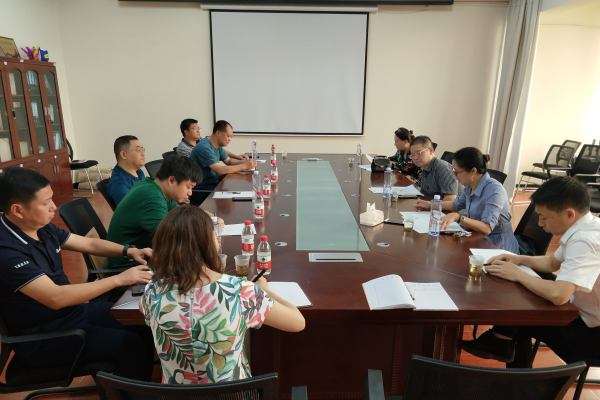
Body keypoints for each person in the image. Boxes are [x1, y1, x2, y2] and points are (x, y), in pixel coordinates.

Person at [0, 167, 155, 381]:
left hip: (71, 313)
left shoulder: (41, 227)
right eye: (45, 202)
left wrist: (128, 250)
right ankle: (128, 393)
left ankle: (137, 387)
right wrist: (119, 279)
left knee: (142, 320)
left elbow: (89, 243)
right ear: (18, 210)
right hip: (43, 336)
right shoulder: (7, 251)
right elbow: (56, 297)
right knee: (131, 346)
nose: (54, 207)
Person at [141, 206, 305, 384]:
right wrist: (264, 291)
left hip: (174, 395)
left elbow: (144, 308)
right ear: (210, 242)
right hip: (234, 394)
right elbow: (298, 322)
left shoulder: (152, 292)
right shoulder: (240, 291)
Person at [461, 177, 600, 368]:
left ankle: (503, 346)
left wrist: (518, 274)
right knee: (529, 290)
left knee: (525, 314)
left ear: (569, 214)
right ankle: (501, 342)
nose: (540, 224)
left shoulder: (585, 240)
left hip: (592, 336)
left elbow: (560, 295)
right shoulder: (586, 226)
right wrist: (519, 260)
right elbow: (552, 262)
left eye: (544, 217)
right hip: (585, 316)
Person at [106, 155, 222, 270]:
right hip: (130, 267)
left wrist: (206, 216)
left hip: (146, 260)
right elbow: (172, 238)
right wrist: (209, 235)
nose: (190, 193)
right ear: (171, 180)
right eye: (188, 187)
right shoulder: (151, 197)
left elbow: (181, 213)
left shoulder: (156, 188)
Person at [414, 147, 518, 253]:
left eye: (457, 172)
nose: (454, 176)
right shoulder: (470, 185)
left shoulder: (495, 190)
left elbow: (486, 228)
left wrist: (458, 217)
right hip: (476, 237)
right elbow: (455, 204)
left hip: (497, 246)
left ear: (473, 171)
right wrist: (430, 204)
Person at [190, 120, 257, 191]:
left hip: (213, 182)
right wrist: (245, 166)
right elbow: (220, 170)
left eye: (231, 137)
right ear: (218, 133)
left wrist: (245, 162)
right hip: (202, 187)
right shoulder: (204, 147)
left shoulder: (217, 145)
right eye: (228, 136)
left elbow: (229, 161)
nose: (230, 139)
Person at [409, 136, 462, 201]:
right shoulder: (424, 169)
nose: (415, 158)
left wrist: (429, 205)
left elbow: (450, 199)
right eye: (412, 155)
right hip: (433, 205)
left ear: (431, 150)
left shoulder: (443, 168)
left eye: (418, 153)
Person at [177, 118, 250, 161]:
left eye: (198, 128)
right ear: (186, 132)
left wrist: (237, 157)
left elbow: (217, 148)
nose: (198, 131)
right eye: (194, 129)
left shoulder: (201, 140)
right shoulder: (183, 148)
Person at [107, 135, 146, 205]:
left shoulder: (139, 172)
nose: (143, 154)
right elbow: (134, 210)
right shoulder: (120, 186)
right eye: (138, 150)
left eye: (142, 150)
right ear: (124, 155)